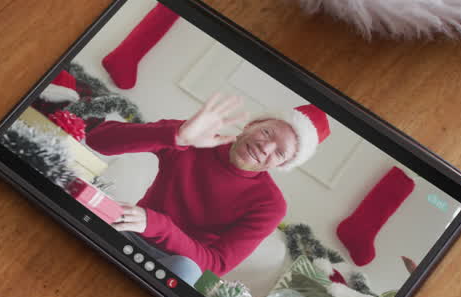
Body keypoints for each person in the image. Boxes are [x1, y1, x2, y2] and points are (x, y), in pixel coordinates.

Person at [85, 93, 330, 284]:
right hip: (126, 230)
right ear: (251, 125)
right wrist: (177, 136)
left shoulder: (270, 204)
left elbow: (216, 265)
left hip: (175, 262)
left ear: (283, 164)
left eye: (279, 152)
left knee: (186, 270)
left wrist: (156, 224)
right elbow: (97, 140)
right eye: (267, 132)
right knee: (89, 207)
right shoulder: (197, 137)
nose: (266, 147)